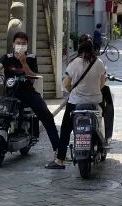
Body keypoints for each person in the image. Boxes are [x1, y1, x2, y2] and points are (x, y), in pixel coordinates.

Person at [0, 32, 63, 168]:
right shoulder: (7, 57)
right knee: (2, 114)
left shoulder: (31, 57)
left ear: (27, 45)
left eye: (23, 43)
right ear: (13, 44)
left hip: (28, 93)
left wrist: (23, 62)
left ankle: (59, 152)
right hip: (11, 94)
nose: (20, 46)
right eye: (18, 43)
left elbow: (32, 74)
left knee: (47, 116)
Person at [48, 35, 113, 169]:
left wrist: (73, 90)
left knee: (66, 129)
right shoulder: (99, 63)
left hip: (75, 102)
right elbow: (102, 83)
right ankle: (104, 141)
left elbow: (66, 84)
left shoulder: (74, 64)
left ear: (80, 48)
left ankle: (60, 159)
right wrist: (93, 90)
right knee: (103, 116)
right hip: (95, 101)